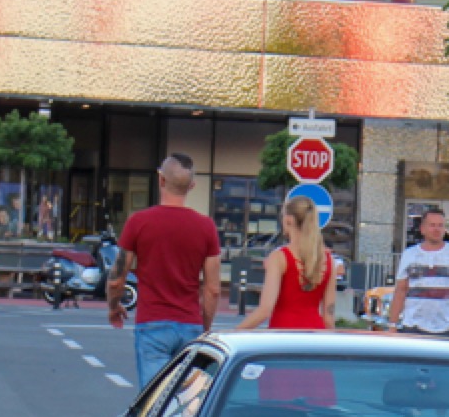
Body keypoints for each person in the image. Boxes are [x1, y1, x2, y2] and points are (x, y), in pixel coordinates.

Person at [107, 154, 223, 391]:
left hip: (152, 323)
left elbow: (116, 280)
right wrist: (204, 326)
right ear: (192, 186)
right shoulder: (206, 227)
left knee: (155, 400)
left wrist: (114, 307)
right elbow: (213, 289)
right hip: (190, 325)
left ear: (160, 179)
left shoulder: (138, 222)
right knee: (187, 402)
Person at [234, 195, 337, 331]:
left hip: (283, 333)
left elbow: (265, 310)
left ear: (289, 220)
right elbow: (329, 317)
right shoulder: (328, 260)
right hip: (315, 334)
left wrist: (234, 332)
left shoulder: (279, 257)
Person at [389, 207, 449, 336]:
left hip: (446, 328)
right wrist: (393, 324)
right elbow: (400, 290)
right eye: (432, 225)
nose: (437, 229)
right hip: (413, 326)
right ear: (422, 229)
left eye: (440, 225)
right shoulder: (409, 254)